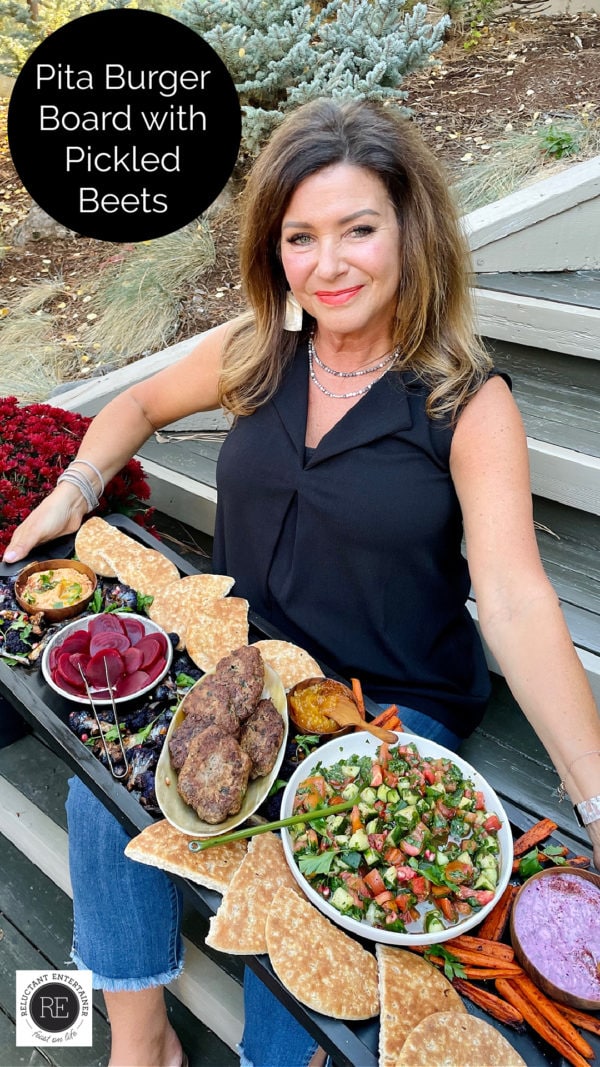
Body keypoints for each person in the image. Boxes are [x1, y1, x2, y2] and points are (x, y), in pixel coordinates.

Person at [4, 97, 600, 1067]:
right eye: (301, 236)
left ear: (411, 229)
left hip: (386, 703)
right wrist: (73, 488)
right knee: (96, 788)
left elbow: (520, 594)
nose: (330, 264)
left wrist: (595, 794)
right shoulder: (262, 350)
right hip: (243, 662)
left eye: (359, 228)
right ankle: (139, 1038)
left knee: (301, 888)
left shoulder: (465, 397)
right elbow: (141, 400)